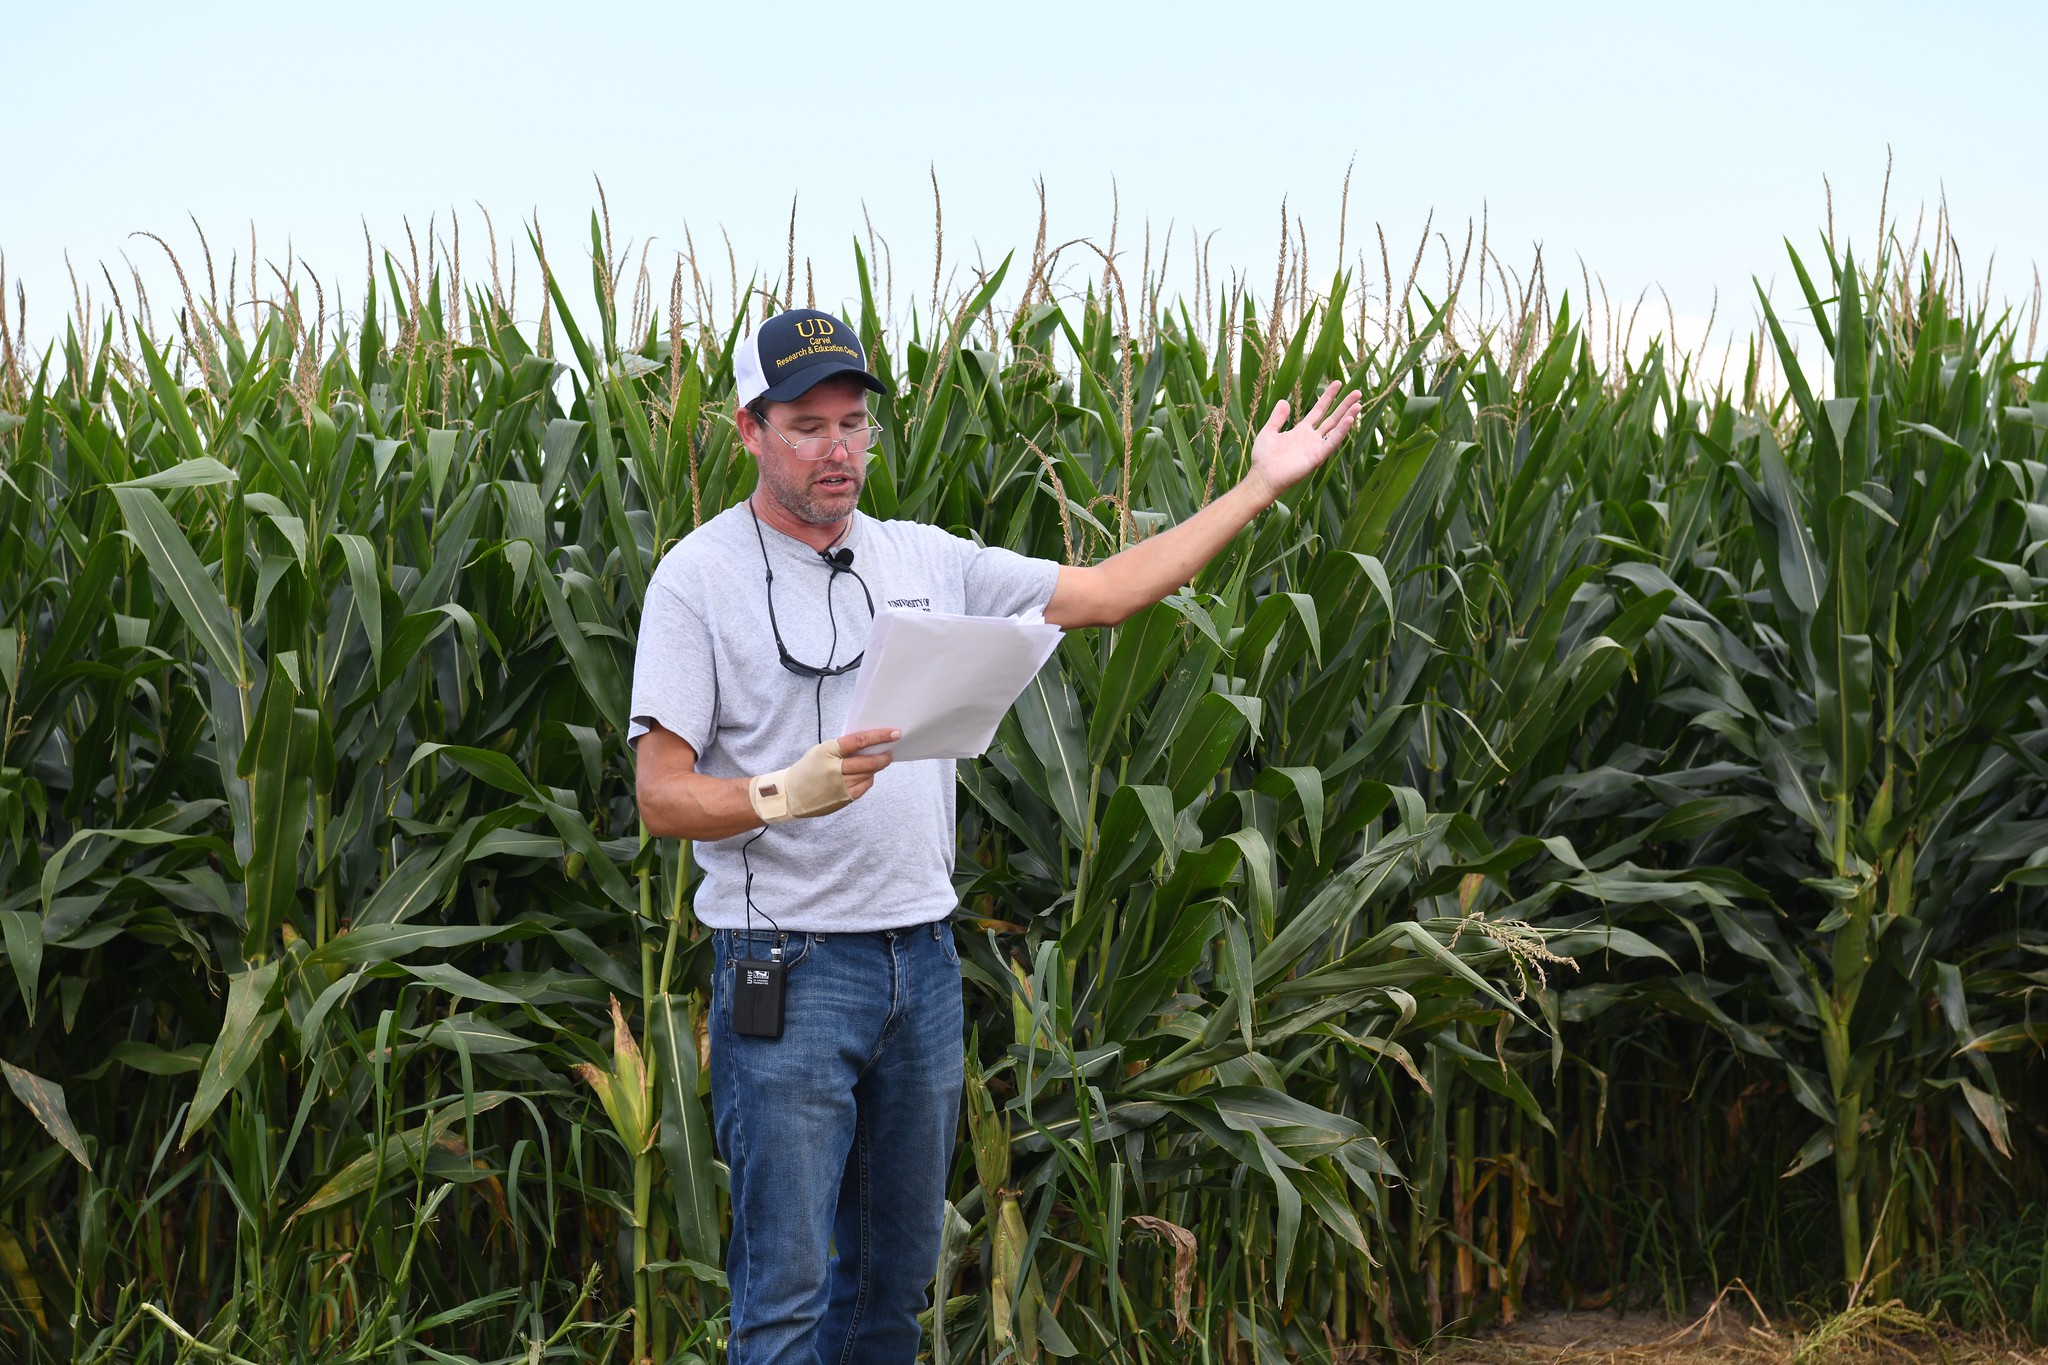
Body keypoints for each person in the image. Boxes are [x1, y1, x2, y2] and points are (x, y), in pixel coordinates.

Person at [630, 305, 1359, 1363]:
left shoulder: (926, 557)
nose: (837, 449)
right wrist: (784, 792)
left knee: (892, 1287)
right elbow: (660, 795)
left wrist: (1255, 487)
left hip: (918, 968)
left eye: (852, 423)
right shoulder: (696, 582)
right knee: (784, 1293)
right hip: (784, 969)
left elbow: (1107, 594)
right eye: (806, 427)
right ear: (748, 430)